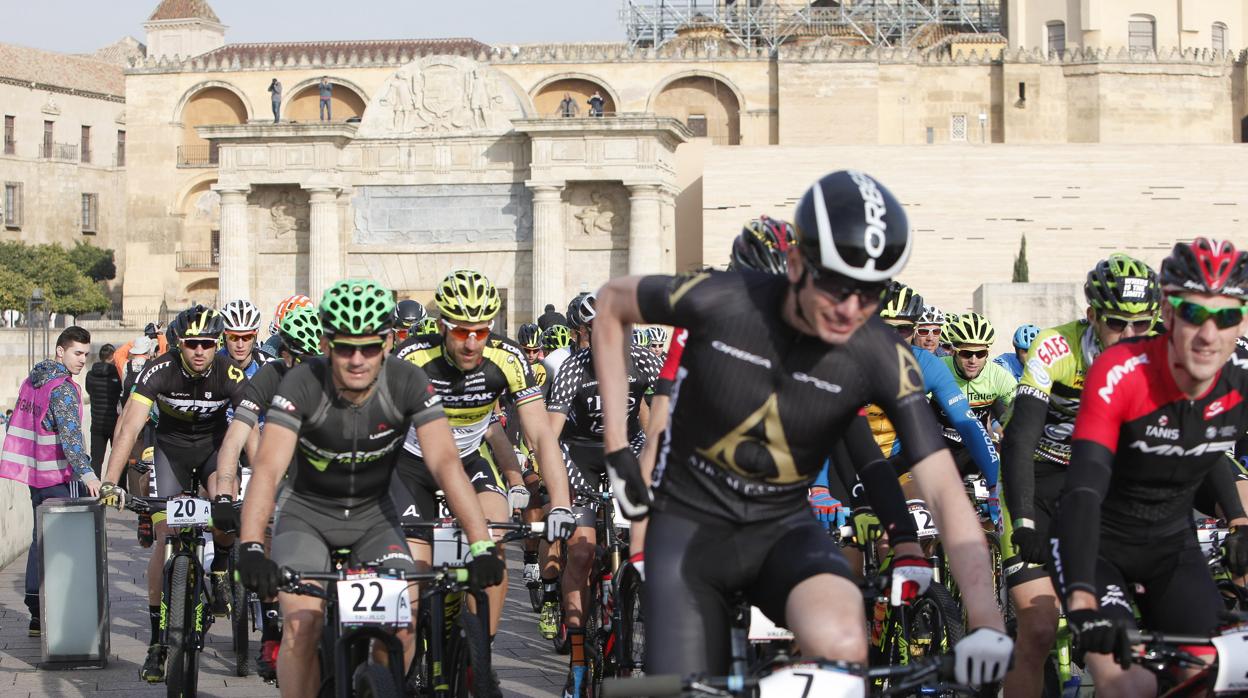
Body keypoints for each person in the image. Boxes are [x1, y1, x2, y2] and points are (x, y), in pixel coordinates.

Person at [592, 170, 1011, 686]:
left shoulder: (880, 352)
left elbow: (944, 488)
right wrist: (616, 446)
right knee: (684, 682)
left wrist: (986, 619)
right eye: (837, 284)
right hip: (689, 529)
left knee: (844, 640)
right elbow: (612, 303)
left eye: (871, 291)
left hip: (780, 528)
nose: (852, 308)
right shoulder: (724, 298)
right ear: (796, 262)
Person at [234, 280, 504, 697]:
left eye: (370, 347)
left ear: (389, 341)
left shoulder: (409, 381)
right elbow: (268, 469)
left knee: (403, 629)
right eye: (344, 348)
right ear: (326, 344)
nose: (357, 360)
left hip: (375, 519)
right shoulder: (300, 384)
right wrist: (251, 545)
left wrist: (482, 544)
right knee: (301, 628)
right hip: (307, 517)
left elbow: (446, 463)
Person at [1053, 238, 1248, 697]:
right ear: (1167, 311)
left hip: (1171, 548)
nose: (1209, 334)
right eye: (1194, 313)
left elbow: (1219, 460)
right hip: (1096, 545)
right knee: (1130, 685)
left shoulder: (1241, 373)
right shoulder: (1123, 370)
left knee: (1214, 677)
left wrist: (1240, 521)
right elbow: (1083, 486)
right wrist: (1082, 601)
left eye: (1226, 316)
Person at [999, 253, 1160, 697]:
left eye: (1142, 324)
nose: (1130, 335)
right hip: (1037, 477)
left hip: (1095, 484)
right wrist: (1025, 520)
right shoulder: (1055, 348)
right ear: (1091, 316)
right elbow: (1019, 439)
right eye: (1116, 323)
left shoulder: (1156, 356)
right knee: (1037, 628)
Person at [392, 270, 577, 637]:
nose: (472, 343)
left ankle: (478, 662)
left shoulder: (507, 356)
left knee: (492, 559)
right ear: (443, 325)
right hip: (413, 464)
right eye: (461, 331)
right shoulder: (411, 357)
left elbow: (541, 433)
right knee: (413, 576)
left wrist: (560, 502)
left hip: (469, 461)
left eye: (482, 330)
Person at [98, 305, 249, 683]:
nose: (200, 351)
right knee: (163, 538)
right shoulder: (157, 371)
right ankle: (155, 642)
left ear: (218, 345)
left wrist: (262, 483)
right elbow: (129, 428)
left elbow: (251, 433)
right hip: (170, 453)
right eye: (192, 344)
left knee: (224, 507)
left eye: (208, 344)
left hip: (215, 451)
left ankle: (219, 567)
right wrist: (110, 482)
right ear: (179, 344)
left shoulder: (231, 375)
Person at [544, 291, 663, 697]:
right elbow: (550, 435)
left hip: (623, 454)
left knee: (642, 545)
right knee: (580, 551)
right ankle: (578, 662)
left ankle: (634, 615)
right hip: (577, 457)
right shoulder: (573, 369)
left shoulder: (645, 360)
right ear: (586, 334)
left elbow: (660, 418)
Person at [212, 303, 322, 680]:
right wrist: (225, 493)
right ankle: (273, 626)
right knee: (270, 538)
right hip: (285, 477)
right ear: (284, 351)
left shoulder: (341, 373)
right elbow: (235, 437)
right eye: (298, 359)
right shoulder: (270, 376)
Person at [0, 326, 94, 637]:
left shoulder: (33, 381)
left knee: (39, 539)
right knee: (66, 547)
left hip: (34, 477)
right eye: (77, 353)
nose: (82, 360)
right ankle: (62, 613)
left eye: (86, 354)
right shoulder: (62, 388)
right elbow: (70, 438)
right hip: (60, 476)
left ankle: (35, 610)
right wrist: (88, 474)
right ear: (60, 351)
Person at [85, 343, 122, 478]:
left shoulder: (90, 375)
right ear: (113, 357)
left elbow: (89, 391)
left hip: (97, 425)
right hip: (114, 424)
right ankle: (119, 488)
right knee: (119, 458)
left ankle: (93, 492)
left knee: (96, 461)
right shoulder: (118, 375)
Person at [220, 299, 272, 379]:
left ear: (255, 338)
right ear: (224, 338)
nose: (240, 345)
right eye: (233, 337)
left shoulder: (268, 365)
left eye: (247, 337)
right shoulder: (212, 364)